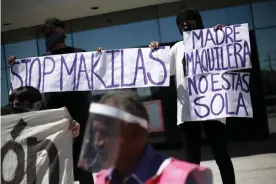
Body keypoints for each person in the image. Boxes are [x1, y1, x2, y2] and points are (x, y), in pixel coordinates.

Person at [149, 8, 236, 184]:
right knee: (191, 159)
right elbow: (162, 71)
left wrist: (224, 37)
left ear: (199, 24)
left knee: (221, 155)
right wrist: (155, 53)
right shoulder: (177, 48)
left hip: (212, 107)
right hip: (188, 110)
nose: (185, 27)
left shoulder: (213, 42)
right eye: (181, 25)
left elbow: (231, 57)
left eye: (189, 24)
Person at [7, 18, 94, 183]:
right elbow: (29, 86)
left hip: (79, 116)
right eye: (45, 31)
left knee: (82, 165)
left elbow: (100, 70)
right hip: (54, 119)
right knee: (56, 163)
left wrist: (101, 57)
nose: (46, 35)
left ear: (61, 31)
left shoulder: (79, 54)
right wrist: (17, 67)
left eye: (49, 30)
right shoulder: (43, 60)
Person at [78, 90, 212, 184]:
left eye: (105, 132)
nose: (97, 143)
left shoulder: (182, 179)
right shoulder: (104, 179)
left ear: (136, 132)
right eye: (94, 133)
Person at [7, 86, 80, 137]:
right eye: (12, 106)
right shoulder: (9, 128)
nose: (15, 110)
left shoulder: (52, 126)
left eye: (20, 105)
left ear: (36, 105)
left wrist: (71, 130)